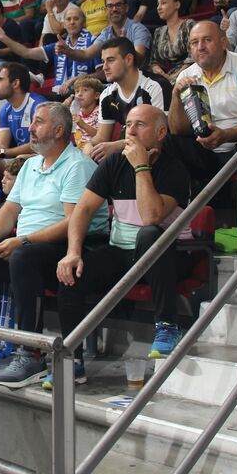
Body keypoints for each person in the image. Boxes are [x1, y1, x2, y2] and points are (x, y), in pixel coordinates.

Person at [0, 103, 110, 388]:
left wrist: (21, 240)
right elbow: (10, 209)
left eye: (38, 122)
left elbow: (72, 223)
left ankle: (31, 353)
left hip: (65, 249)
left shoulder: (77, 166)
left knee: (24, 257)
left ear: (59, 130)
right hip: (25, 248)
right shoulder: (29, 165)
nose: (30, 128)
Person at [55, 105, 191, 384]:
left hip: (169, 257)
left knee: (150, 233)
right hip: (122, 254)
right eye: (127, 124)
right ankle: (72, 361)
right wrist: (73, 253)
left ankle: (167, 325)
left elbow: (151, 216)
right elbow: (81, 210)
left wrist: (141, 166)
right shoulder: (113, 164)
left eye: (139, 125)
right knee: (71, 274)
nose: (129, 131)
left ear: (161, 132)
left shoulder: (175, 168)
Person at [170, 21, 237, 243]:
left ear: (222, 42)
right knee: (168, 142)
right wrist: (175, 97)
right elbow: (177, 128)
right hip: (206, 148)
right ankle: (176, 222)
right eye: (194, 43)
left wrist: (227, 134)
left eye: (207, 40)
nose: (200, 47)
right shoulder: (187, 75)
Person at [0, 4, 99, 97]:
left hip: (86, 94)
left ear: (84, 23)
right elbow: (26, 52)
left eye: (76, 19)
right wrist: (3, 38)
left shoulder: (93, 42)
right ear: (64, 24)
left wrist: (80, 79)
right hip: (61, 94)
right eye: (68, 19)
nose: (72, 22)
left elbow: (103, 74)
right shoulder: (58, 46)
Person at [86, 38, 167, 162]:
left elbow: (161, 136)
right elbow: (102, 137)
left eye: (111, 60)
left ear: (129, 59)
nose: (104, 67)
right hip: (130, 153)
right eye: (103, 61)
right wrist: (89, 145)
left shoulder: (155, 86)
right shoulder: (107, 95)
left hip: (161, 156)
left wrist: (117, 146)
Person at [0, 62, 45, 190]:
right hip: (19, 158)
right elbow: (2, 145)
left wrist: (0, 153)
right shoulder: (5, 109)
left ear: (15, 83)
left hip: (41, 156)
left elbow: (38, 145)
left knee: (19, 160)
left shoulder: (38, 106)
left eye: (0, 80)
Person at [150, 0, 196, 81]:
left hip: (191, 72)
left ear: (177, 5)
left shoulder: (188, 25)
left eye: (163, 3)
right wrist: (158, 70)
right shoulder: (159, 31)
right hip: (168, 75)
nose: (159, 7)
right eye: (158, 4)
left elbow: (193, 57)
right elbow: (154, 60)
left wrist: (174, 76)